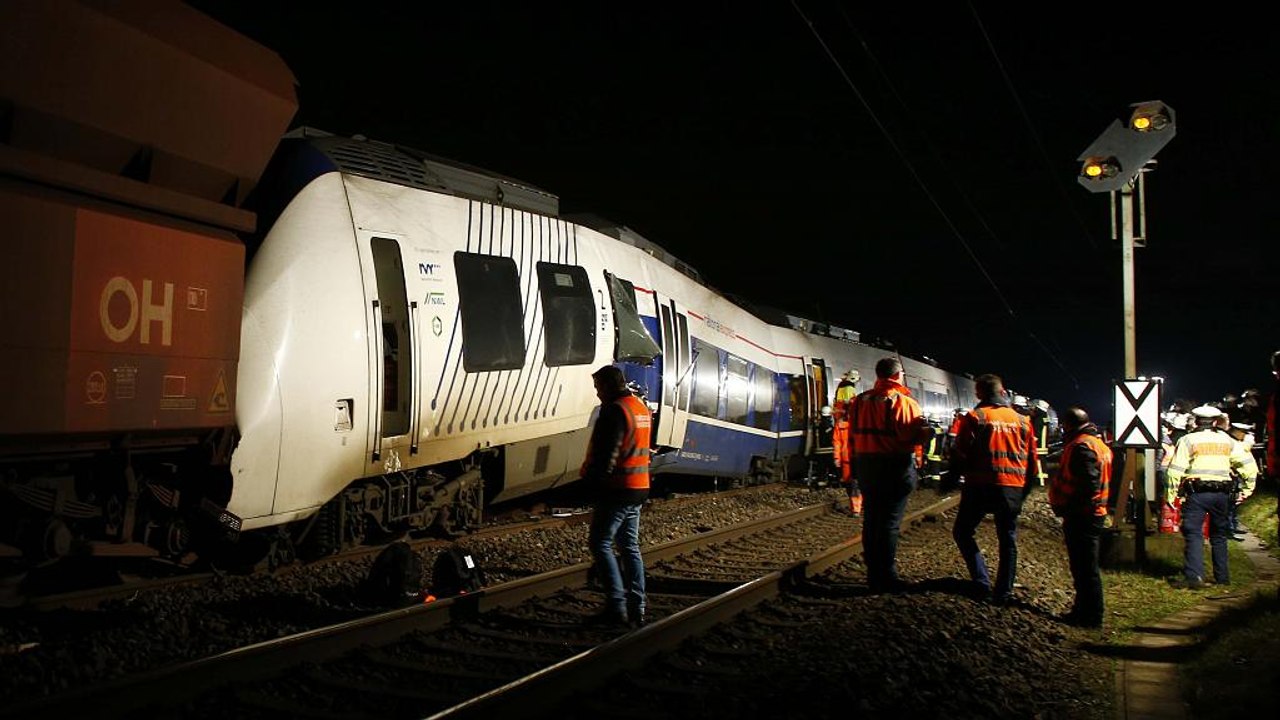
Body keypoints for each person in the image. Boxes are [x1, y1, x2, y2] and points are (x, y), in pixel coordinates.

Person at [947, 373, 1038, 603]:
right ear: (1003, 391)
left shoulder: (976, 417)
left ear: (978, 393)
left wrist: (952, 478)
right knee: (1007, 538)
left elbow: (960, 452)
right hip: (1011, 489)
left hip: (978, 487)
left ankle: (981, 581)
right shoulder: (1023, 421)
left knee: (963, 532)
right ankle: (1004, 592)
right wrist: (1023, 493)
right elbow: (1032, 463)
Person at [847, 356, 930, 592]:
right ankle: (886, 576)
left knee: (871, 519)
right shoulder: (904, 402)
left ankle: (873, 572)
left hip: (866, 466)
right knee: (890, 523)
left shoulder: (859, 401)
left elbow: (851, 433)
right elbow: (909, 437)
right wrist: (926, 431)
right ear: (896, 376)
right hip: (894, 466)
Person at [580, 365, 651, 627]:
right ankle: (637, 605)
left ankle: (616, 606)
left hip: (618, 487)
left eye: (598, 387)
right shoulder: (639, 407)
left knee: (600, 543)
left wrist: (591, 487)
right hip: (639, 485)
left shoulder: (613, 411)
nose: (597, 394)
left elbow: (606, 456)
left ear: (609, 386)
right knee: (629, 546)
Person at [1164, 405, 1258, 588]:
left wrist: (1171, 494)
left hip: (1197, 493)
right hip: (1222, 494)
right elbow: (1248, 465)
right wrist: (1247, 490)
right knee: (1219, 535)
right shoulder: (1228, 441)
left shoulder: (1188, 440)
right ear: (1215, 422)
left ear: (1197, 421)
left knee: (1193, 532)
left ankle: (1194, 576)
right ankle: (1223, 579)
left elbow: (1175, 470)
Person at [1048, 406, 1112, 628]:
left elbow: (1088, 484)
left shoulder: (1081, 446)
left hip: (1083, 516)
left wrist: (1068, 507)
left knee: (1085, 568)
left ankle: (1091, 616)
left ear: (1068, 425)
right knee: (1085, 567)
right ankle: (1084, 611)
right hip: (1093, 513)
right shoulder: (1098, 444)